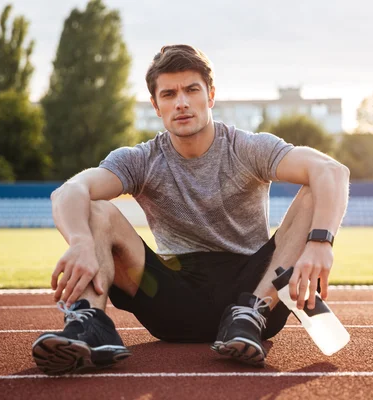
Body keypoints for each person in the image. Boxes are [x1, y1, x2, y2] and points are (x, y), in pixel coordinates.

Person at [32, 44, 350, 375]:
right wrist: (81, 241)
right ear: (156, 105)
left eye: (191, 90)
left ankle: (249, 313)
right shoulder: (142, 159)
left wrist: (320, 243)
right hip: (172, 300)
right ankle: (90, 322)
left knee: (315, 190)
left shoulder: (246, 148)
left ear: (210, 96)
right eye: (169, 94)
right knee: (95, 208)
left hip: (255, 294)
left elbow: (333, 171)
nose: (181, 102)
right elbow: (69, 191)